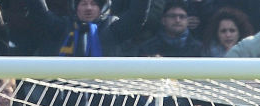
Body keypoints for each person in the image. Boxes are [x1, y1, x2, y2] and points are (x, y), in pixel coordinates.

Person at [22, 0, 154, 57]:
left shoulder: (113, 29)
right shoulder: (62, 27)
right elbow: (39, 12)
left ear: (102, 8)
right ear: (75, 7)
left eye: (93, 4)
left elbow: (138, 14)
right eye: (84, 3)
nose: (88, 8)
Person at [137, 0, 204, 57]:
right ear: (163, 20)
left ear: (187, 20)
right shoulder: (147, 48)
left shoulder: (200, 49)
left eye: (182, 16)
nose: (177, 20)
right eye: (172, 16)